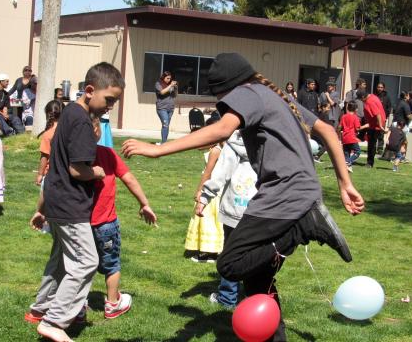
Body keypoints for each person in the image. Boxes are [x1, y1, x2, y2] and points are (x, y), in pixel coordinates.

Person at [122, 53, 365, 341]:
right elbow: (325, 129)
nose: (225, 106)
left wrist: (159, 149)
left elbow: (222, 129)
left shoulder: (247, 93)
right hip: (300, 191)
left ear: (227, 88)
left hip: (284, 195)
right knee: (258, 279)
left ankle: (301, 229)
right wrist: (344, 183)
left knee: (230, 264)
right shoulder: (274, 96)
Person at [25, 62, 124, 342]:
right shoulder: (81, 120)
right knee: (86, 261)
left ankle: (40, 308)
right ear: (90, 90)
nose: (110, 106)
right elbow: (76, 169)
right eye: (109, 100)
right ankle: (54, 321)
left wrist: (41, 209)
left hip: (56, 201)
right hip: (71, 205)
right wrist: (96, 171)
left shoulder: (68, 111)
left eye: (115, 102)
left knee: (60, 260)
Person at [31, 117, 157, 320]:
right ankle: (113, 303)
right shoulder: (107, 154)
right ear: (98, 132)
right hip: (105, 225)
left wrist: (40, 210)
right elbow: (129, 178)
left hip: (78, 223)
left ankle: (78, 306)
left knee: (78, 265)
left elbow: (50, 185)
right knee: (112, 265)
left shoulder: (66, 158)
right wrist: (144, 203)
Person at [196, 130, 257, 309]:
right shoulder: (274, 135)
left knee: (231, 252)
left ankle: (228, 297)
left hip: (235, 208)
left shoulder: (236, 139)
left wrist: (205, 197)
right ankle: (254, 294)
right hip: (262, 210)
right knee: (256, 252)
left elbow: (220, 172)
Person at [186, 117, 224, 263]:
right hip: (217, 191)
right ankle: (213, 250)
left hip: (210, 192)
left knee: (207, 220)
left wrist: (199, 191)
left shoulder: (215, 150)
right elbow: (199, 145)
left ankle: (208, 252)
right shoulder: (219, 148)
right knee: (214, 221)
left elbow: (207, 173)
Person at [35, 100, 64, 186]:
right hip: (66, 174)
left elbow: (44, 156)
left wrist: (40, 174)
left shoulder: (48, 134)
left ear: (48, 115)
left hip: (51, 175)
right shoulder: (69, 131)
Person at [358, 89, 386, 168]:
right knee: (371, 143)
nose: (361, 100)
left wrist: (380, 125)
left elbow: (378, 114)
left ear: (363, 97)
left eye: (360, 99)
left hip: (375, 125)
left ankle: (370, 163)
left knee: (371, 144)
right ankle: (369, 162)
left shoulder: (369, 102)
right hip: (372, 124)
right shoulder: (373, 96)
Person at [338, 102, 369, 172]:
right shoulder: (355, 117)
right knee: (357, 152)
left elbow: (339, 127)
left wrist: (338, 135)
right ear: (356, 109)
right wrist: (366, 126)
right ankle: (348, 162)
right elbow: (358, 128)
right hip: (351, 137)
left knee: (346, 153)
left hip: (345, 137)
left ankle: (348, 167)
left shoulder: (343, 116)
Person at [155, 71, 177, 144]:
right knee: (165, 124)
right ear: (163, 77)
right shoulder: (158, 84)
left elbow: (175, 95)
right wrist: (170, 85)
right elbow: (162, 92)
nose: (169, 80)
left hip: (170, 108)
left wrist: (176, 88)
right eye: (167, 78)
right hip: (162, 108)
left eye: (170, 78)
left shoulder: (170, 85)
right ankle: (163, 143)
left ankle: (164, 142)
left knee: (166, 126)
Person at [374, 82, 392, 154]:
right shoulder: (374, 95)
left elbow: (389, 107)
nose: (380, 89)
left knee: (381, 134)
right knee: (374, 134)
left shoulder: (387, 96)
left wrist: (386, 116)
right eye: (379, 87)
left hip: (383, 118)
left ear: (383, 88)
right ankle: (373, 148)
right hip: (374, 118)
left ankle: (380, 149)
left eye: (381, 87)